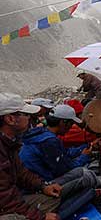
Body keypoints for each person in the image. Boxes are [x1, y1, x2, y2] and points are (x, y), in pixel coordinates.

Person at [0, 92, 61, 220]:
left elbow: (22, 173)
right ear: (10, 119)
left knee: (53, 199)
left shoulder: (10, 143)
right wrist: (40, 217)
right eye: (26, 115)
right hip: (4, 208)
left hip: (10, 200)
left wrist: (43, 186)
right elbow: (4, 198)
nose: (29, 118)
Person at [19, 105, 93, 182]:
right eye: (70, 124)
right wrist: (84, 157)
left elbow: (65, 153)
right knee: (82, 172)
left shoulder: (43, 133)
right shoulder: (49, 141)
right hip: (41, 182)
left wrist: (85, 147)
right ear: (62, 122)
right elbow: (63, 169)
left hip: (35, 178)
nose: (70, 127)